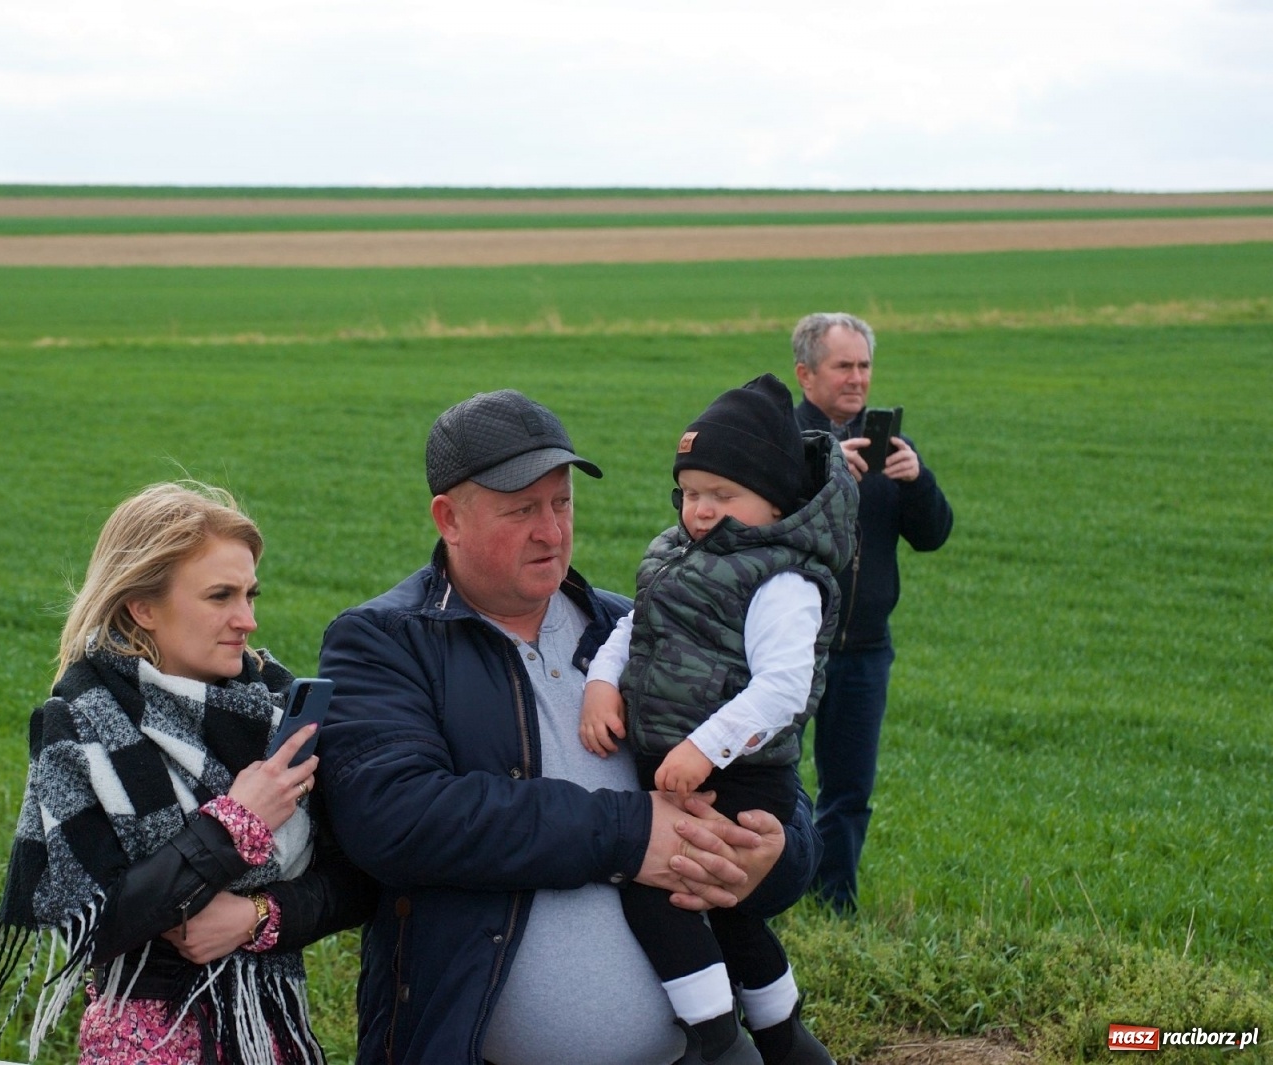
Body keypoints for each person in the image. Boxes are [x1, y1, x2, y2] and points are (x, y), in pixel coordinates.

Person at [316, 389, 825, 1065]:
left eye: (561, 503)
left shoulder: (634, 628)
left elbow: (781, 790)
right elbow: (398, 817)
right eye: (521, 509)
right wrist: (628, 831)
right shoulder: (386, 642)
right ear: (449, 518)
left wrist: (772, 858)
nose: (551, 531)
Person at [0, 482, 375, 1064]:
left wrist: (255, 917)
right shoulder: (80, 727)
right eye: (220, 596)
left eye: (251, 594)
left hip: (273, 1036)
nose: (246, 620)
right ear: (142, 606)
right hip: (150, 1047)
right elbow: (94, 923)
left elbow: (361, 879)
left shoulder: (275, 712)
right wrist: (236, 824)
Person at [579, 374, 853, 1065]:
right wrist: (602, 686)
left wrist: (707, 746)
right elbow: (637, 627)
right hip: (684, 763)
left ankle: (718, 1036)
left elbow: (785, 687)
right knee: (731, 912)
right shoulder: (687, 559)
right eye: (690, 493)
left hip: (742, 772)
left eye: (721, 495)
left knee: (665, 894)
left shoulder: (783, 583)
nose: (700, 510)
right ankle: (785, 1036)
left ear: (776, 499)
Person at [790, 314, 954, 914]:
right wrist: (825, 479)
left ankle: (834, 904)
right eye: (843, 366)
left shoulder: (889, 445)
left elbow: (934, 535)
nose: (857, 379)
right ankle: (770, 898)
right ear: (806, 374)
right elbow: (762, 531)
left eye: (864, 365)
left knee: (850, 790)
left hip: (864, 648)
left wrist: (917, 481)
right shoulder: (784, 441)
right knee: (775, 782)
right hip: (792, 645)